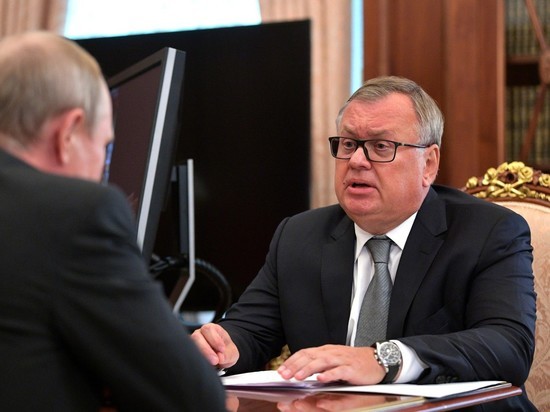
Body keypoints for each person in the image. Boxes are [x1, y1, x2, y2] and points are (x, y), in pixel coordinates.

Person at [192, 76, 537, 410]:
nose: (357, 161)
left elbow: (509, 346)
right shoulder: (299, 236)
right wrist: (222, 346)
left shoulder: (488, 232)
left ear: (428, 164)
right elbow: (251, 331)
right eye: (348, 144)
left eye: (380, 146)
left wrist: (383, 359)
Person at [0, 31, 226, 411]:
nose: (103, 169)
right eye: (105, 146)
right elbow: (192, 397)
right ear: (68, 133)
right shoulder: (73, 213)